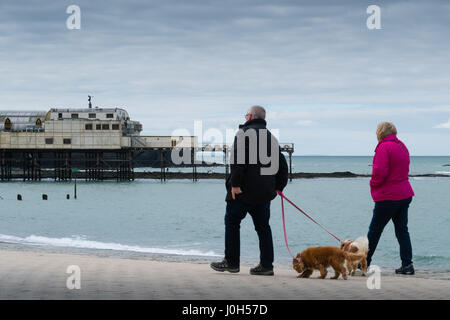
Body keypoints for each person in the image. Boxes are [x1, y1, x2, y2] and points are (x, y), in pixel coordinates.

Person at [210, 106, 288, 276]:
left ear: (251, 116)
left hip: (243, 191)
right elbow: (282, 166)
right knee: (263, 228)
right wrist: (278, 188)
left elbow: (238, 160)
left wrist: (235, 185)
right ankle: (267, 265)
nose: (244, 117)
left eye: (245, 114)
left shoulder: (244, 133)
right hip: (264, 193)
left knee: (232, 222)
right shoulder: (271, 137)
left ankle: (231, 262)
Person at [367, 122, 415, 275]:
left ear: (380, 132)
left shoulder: (383, 147)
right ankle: (407, 264)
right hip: (404, 194)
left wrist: (373, 184)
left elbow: (379, 172)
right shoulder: (402, 146)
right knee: (402, 231)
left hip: (388, 196)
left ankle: (363, 263)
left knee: (374, 231)